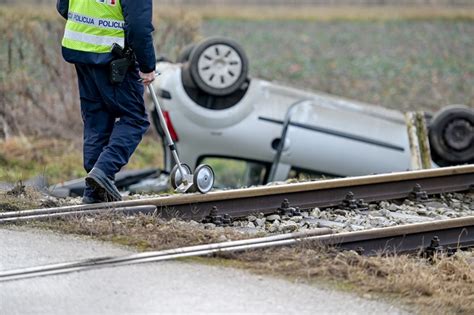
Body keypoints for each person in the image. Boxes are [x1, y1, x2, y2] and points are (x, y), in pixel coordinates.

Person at [56, 0, 156, 203]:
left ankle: (94, 194)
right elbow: (138, 27)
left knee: (96, 121)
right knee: (135, 119)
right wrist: (147, 65)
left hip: (80, 50)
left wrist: (91, 30)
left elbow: (63, 7)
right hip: (113, 56)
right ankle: (103, 170)